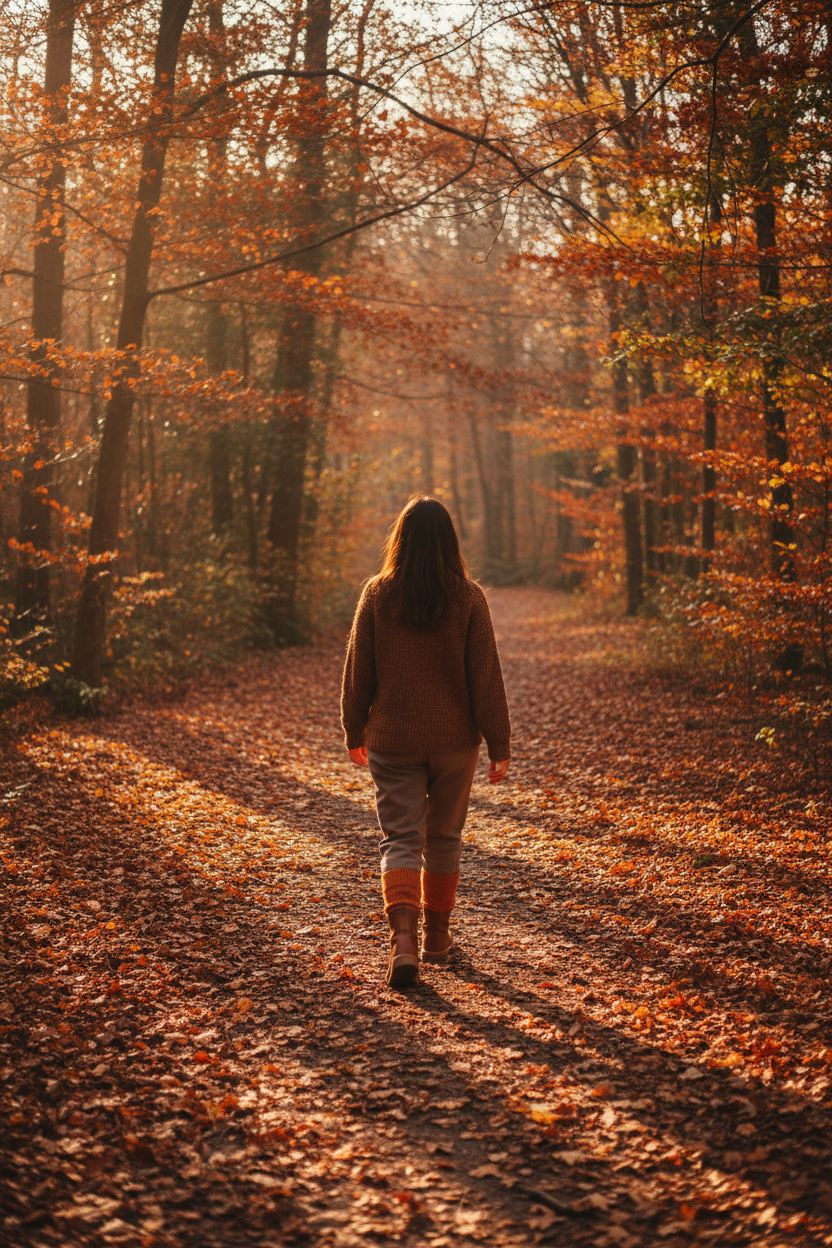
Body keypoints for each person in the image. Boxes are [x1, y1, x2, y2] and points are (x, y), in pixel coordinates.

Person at [340, 495, 511, 989]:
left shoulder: (378, 594)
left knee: (400, 839)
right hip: (455, 741)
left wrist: (354, 728)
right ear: (449, 543)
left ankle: (404, 944)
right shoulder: (469, 597)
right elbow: (486, 678)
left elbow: (359, 670)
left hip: (393, 739)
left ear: (401, 539)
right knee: (444, 837)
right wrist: (498, 742)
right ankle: (437, 938)